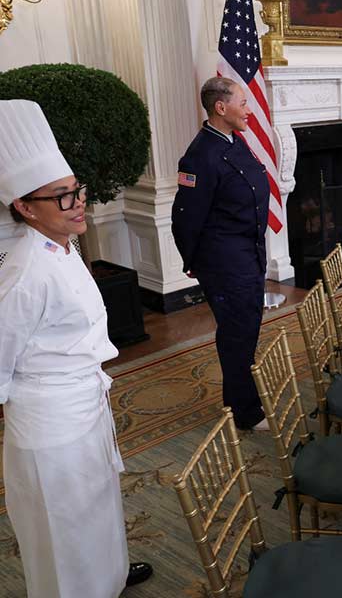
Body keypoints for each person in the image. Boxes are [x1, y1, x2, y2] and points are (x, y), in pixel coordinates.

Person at [0, 99, 153, 597]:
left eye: (76, 191)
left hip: (84, 403)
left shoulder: (60, 246)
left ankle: (106, 577)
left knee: (96, 501)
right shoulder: (24, 271)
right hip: (48, 419)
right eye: (62, 197)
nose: (78, 203)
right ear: (24, 207)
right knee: (62, 523)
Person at [172, 77, 270, 431]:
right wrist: (193, 261)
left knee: (245, 330)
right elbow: (185, 218)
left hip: (247, 253)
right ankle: (245, 413)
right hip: (225, 262)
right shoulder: (200, 157)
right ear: (221, 107)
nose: (249, 109)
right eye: (243, 103)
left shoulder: (234, 141)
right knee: (237, 334)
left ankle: (241, 398)